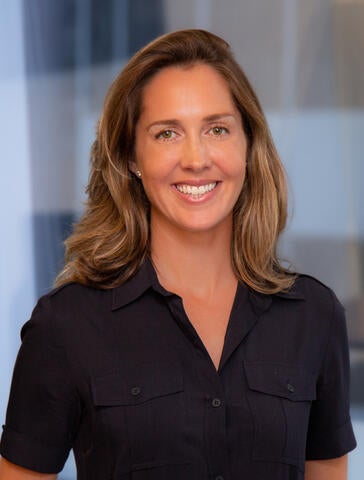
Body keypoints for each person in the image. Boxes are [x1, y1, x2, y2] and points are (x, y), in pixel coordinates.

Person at [0, 29, 356, 480]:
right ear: (132, 157)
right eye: (167, 133)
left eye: (217, 129)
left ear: (247, 146)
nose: (195, 158)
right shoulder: (66, 325)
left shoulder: (315, 316)